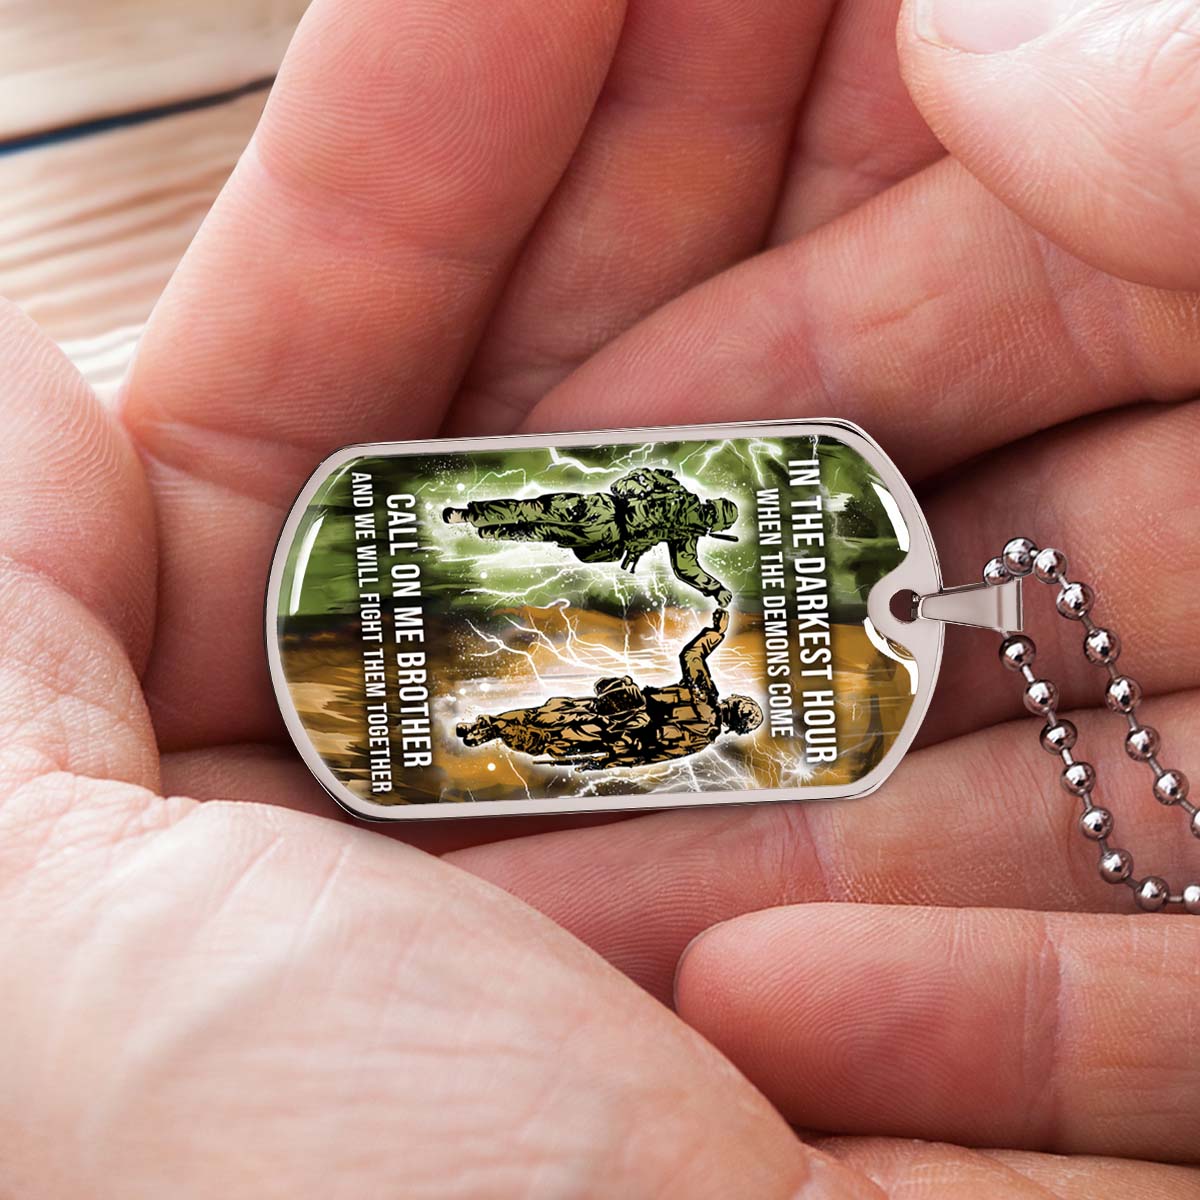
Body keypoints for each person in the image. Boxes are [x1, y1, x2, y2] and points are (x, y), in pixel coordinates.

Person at [5, 0, 1199, 1195]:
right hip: (583, 568)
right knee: (524, 553)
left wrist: (683, 622)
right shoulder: (694, 619)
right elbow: (673, 593)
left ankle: (480, 643)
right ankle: (472, 571)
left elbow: (669, 663)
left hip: (588, 674)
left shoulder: (698, 696)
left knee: (537, 704)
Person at [457, 610, 763, 769]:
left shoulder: (704, 693)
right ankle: (494, 731)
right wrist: (607, 761)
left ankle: (490, 726)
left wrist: (716, 632)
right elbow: (653, 756)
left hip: (618, 710)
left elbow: (691, 655)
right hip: (618, 735)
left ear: (734, 703)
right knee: (553, 740)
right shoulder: (702, 739)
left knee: (550, 714)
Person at [443, 467, 738, 606]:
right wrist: (715, 589)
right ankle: (484, 525)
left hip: (603, 518)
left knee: (537, 517)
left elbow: (637, 478)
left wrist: (715, 588)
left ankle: (476, 520)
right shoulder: (684, 525)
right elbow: (686, 568)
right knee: (539, 526)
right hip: (606, 529)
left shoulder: (681, 513)